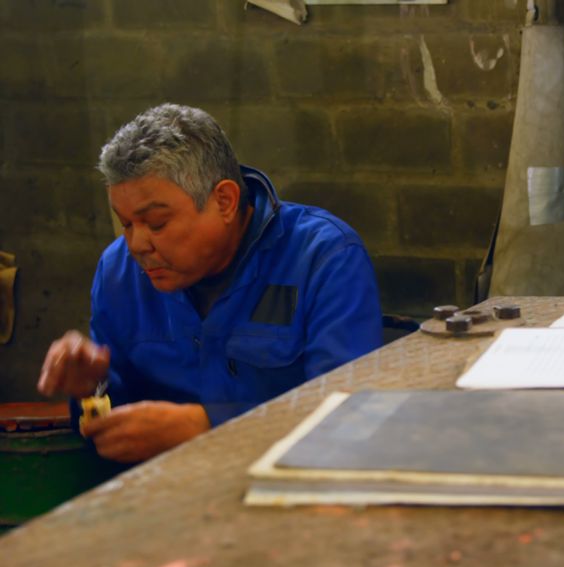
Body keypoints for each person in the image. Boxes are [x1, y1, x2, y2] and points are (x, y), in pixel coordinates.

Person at [36, 103, 383, 463]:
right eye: (125, 224)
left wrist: (209, 428)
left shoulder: (323, 258)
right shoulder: (117, 272)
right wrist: (92, 388)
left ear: (225, 201)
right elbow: (112, 424)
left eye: (156, 223)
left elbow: (350, 419)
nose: (138, 244)